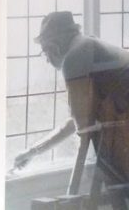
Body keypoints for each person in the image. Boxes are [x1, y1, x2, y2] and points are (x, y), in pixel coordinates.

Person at [13, 11, 129, 201]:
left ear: (55, 47)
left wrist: (70, 195)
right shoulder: (87, 45)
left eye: (45, 51)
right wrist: (33, 151)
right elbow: (80, 121)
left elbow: (83, 131)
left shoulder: (75, 57)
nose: (47, 59)